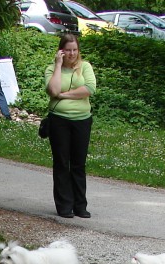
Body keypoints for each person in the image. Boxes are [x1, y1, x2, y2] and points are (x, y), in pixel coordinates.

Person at [44, 33, 96, 219]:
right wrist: (58, 65)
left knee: (78, 164)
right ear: (61, 51)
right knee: (61, 163)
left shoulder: (85, 67)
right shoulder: (52, 69)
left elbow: (89, 89)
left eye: (74, 50)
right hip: (59, 120)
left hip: (82, 120)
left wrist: (64, 95)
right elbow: (53, 90)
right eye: (68, 50)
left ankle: (80, 205)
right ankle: (64, 205)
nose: (72, 53)